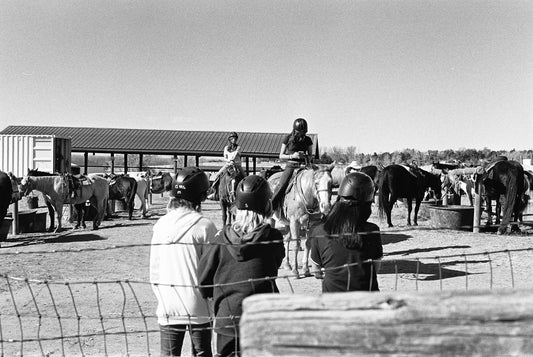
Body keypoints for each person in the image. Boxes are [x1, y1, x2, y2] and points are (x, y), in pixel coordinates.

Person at [199, 175, 285, 357]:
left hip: (227, 317)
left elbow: (203, 281)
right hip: (260, 317)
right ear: (267, 205)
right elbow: (275, 264)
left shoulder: (221, 239)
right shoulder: (274, 238)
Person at [150, 166, 217, 357]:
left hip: (168, 302)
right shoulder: (205, 226)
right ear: (201, 196)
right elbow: (211, 270)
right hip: (198, 304)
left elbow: (154, 270)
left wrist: (162, 296)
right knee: (203, 353)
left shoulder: (161, 224)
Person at [309, 172, 383, 292]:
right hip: (368, 299)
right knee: (284, 184)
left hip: (332, 301)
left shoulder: (319, 230)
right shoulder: (372, 230)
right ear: (368, 203)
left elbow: (316, 271)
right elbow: (375, 268)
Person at [271, 118, 314, 210]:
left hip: (304, 166)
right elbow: (281, 156)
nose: (301, 134)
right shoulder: (287, 138)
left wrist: (305, 156)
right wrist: (292, 156)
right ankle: (271, 207)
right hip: (291, 165)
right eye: (299, 132)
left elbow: (311, 156)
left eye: (303, 132)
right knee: (282, 184)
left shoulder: (308, 140)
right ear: (295, 130)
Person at [209, 132, 246, 198]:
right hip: (228, 164)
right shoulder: (226, 148)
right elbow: (225, 157)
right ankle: (215, 192)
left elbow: (234, 156)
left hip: (237, 165)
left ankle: (246, 192)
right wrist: (228, 161)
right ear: (230, 139)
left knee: (245, 177)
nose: (234, 140)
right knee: (217, 175)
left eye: (235, 138)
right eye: (232, 138)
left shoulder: (238, 147)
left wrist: (232, 161)